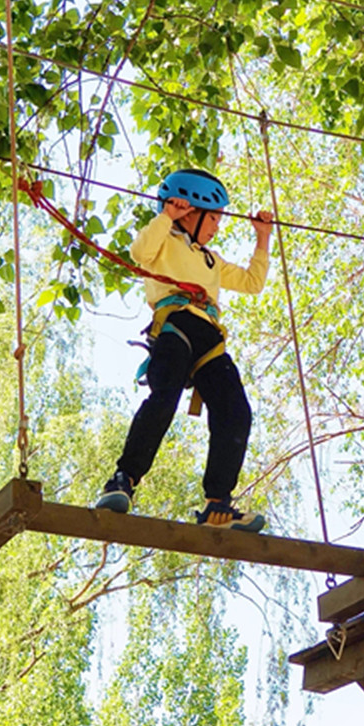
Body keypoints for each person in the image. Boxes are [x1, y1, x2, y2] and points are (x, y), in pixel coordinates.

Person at [96, 167, 273, 531]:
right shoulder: (164, 242)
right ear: (191, 212)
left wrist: (262, 239)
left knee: (236, 411)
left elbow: (253, 283)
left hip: (208, 337)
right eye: (214, 217)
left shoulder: (210, 259)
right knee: (164, 398)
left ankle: (217, 503)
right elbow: (139, 251)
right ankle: (123, 479)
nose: (218, 227)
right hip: (176, 327)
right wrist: (167, 216)